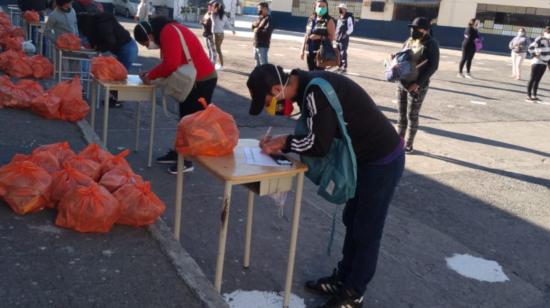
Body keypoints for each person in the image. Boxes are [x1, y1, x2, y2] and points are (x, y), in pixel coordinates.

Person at [246, 64, 405, 308]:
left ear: (277, 89)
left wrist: (284, 143)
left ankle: (353, 294)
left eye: (267, 100)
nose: (270, 106)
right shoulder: (308, 86)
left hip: (381, 160)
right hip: (363, 160)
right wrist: (284, 142)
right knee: (353, 220)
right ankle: (343, 278)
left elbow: (318, 144)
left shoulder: (314, 93)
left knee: (366, 230)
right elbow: (320, 132)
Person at [134, 17, 218, 174]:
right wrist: (150, 73)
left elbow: (171, 64)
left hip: (202, 80)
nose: (148, 46)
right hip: (194, 79)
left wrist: (151, 75)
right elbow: (171, 62)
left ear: (150, 35)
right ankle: (178, 152)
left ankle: (186, 160)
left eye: (146, 43)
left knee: (191, 122)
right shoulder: (169, 30)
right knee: (184, 119)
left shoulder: (168, 32)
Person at [396, 17, 440, 153]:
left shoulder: (431, 44)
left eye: (416, 28)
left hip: (417, 87)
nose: (413, 30)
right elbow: (401, 56)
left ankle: (408, 144)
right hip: (402, 83)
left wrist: (417, 84)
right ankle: (399, 142)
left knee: (412, 115)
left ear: (425, 30)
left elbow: (433, 66)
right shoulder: (409, 41)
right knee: (401, 115)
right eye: (412, 28)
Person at [78, 12, 138, 107]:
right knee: (116, 78)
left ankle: (117, 101)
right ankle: (115, 100)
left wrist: (97, 47)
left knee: (119, 77)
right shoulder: (98, 23)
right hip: (125, 47)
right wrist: (94, 46)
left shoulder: (102, 24)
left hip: (127, 48)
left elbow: (110, 41)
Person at [44, 0, 79, 77]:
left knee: (76, 68)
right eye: (69, 2)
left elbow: (75, 25)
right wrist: (57, 40)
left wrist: (77, 37)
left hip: (74, 46)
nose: (71, 3)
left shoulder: (73, 11)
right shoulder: (53, 15)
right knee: (64, 71)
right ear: (64, 4)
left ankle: (75, 84)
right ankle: (64, 85)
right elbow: (47, 31)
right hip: (62, 47)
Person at [301, 0, 336, 71]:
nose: (321, 8)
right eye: (319, 6)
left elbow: (332, 37)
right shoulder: (311, 19)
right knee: (310, 73)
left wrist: (319, 37)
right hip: (309, 52)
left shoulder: (329, 20)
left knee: (319, 75)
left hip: (321, 53)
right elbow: (306, 35)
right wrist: (302, 50)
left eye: (324, 7)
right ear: (315, 7)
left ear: (327, 8)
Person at [526, 26, 550, 103]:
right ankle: (529, 96)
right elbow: (530, 48)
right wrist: (535, 55)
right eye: (548, 32)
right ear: (545, 32)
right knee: (532, 78)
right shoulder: (540, 38)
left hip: (544, 62)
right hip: (537, 61)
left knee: (538, 80)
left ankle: (534, 96)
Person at [211, 0, 236, 70]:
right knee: (218, 49)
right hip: (221, 35)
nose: (212, 8)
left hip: (216, 35)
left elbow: (212, 19)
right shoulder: (223, 16)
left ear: (217, 8)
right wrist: (233, 30)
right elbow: (228, 24)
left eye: (214, 7)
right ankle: (219, 64)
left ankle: (221, 65)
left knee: (217, 50)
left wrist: (213, 10)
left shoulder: (214, 15)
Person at [252, 2, 273, 66]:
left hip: (263, 45)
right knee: (257, 64)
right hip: (256, 44)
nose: (258, 10)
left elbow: (267, 31)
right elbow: (253, 27)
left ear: (265, 9)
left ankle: (265, 76)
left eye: (260, 8)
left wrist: (257, 30)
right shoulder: (260, 18)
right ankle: (258, 76)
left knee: (263, 65)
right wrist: (256, 28)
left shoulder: (269, 19)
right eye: (258, 8)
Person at [335, 3, 353, 73]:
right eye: (339, 8)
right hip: (337, 38)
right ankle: (339, 66)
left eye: (340, 8)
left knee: (343, 52)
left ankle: (344, 67)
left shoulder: (348, 18)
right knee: (338, 53)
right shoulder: (339, 17)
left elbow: (351, 28)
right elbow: (337, 28)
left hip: (344, 38)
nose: (339, 9)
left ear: (345, 9)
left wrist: (346, 34)